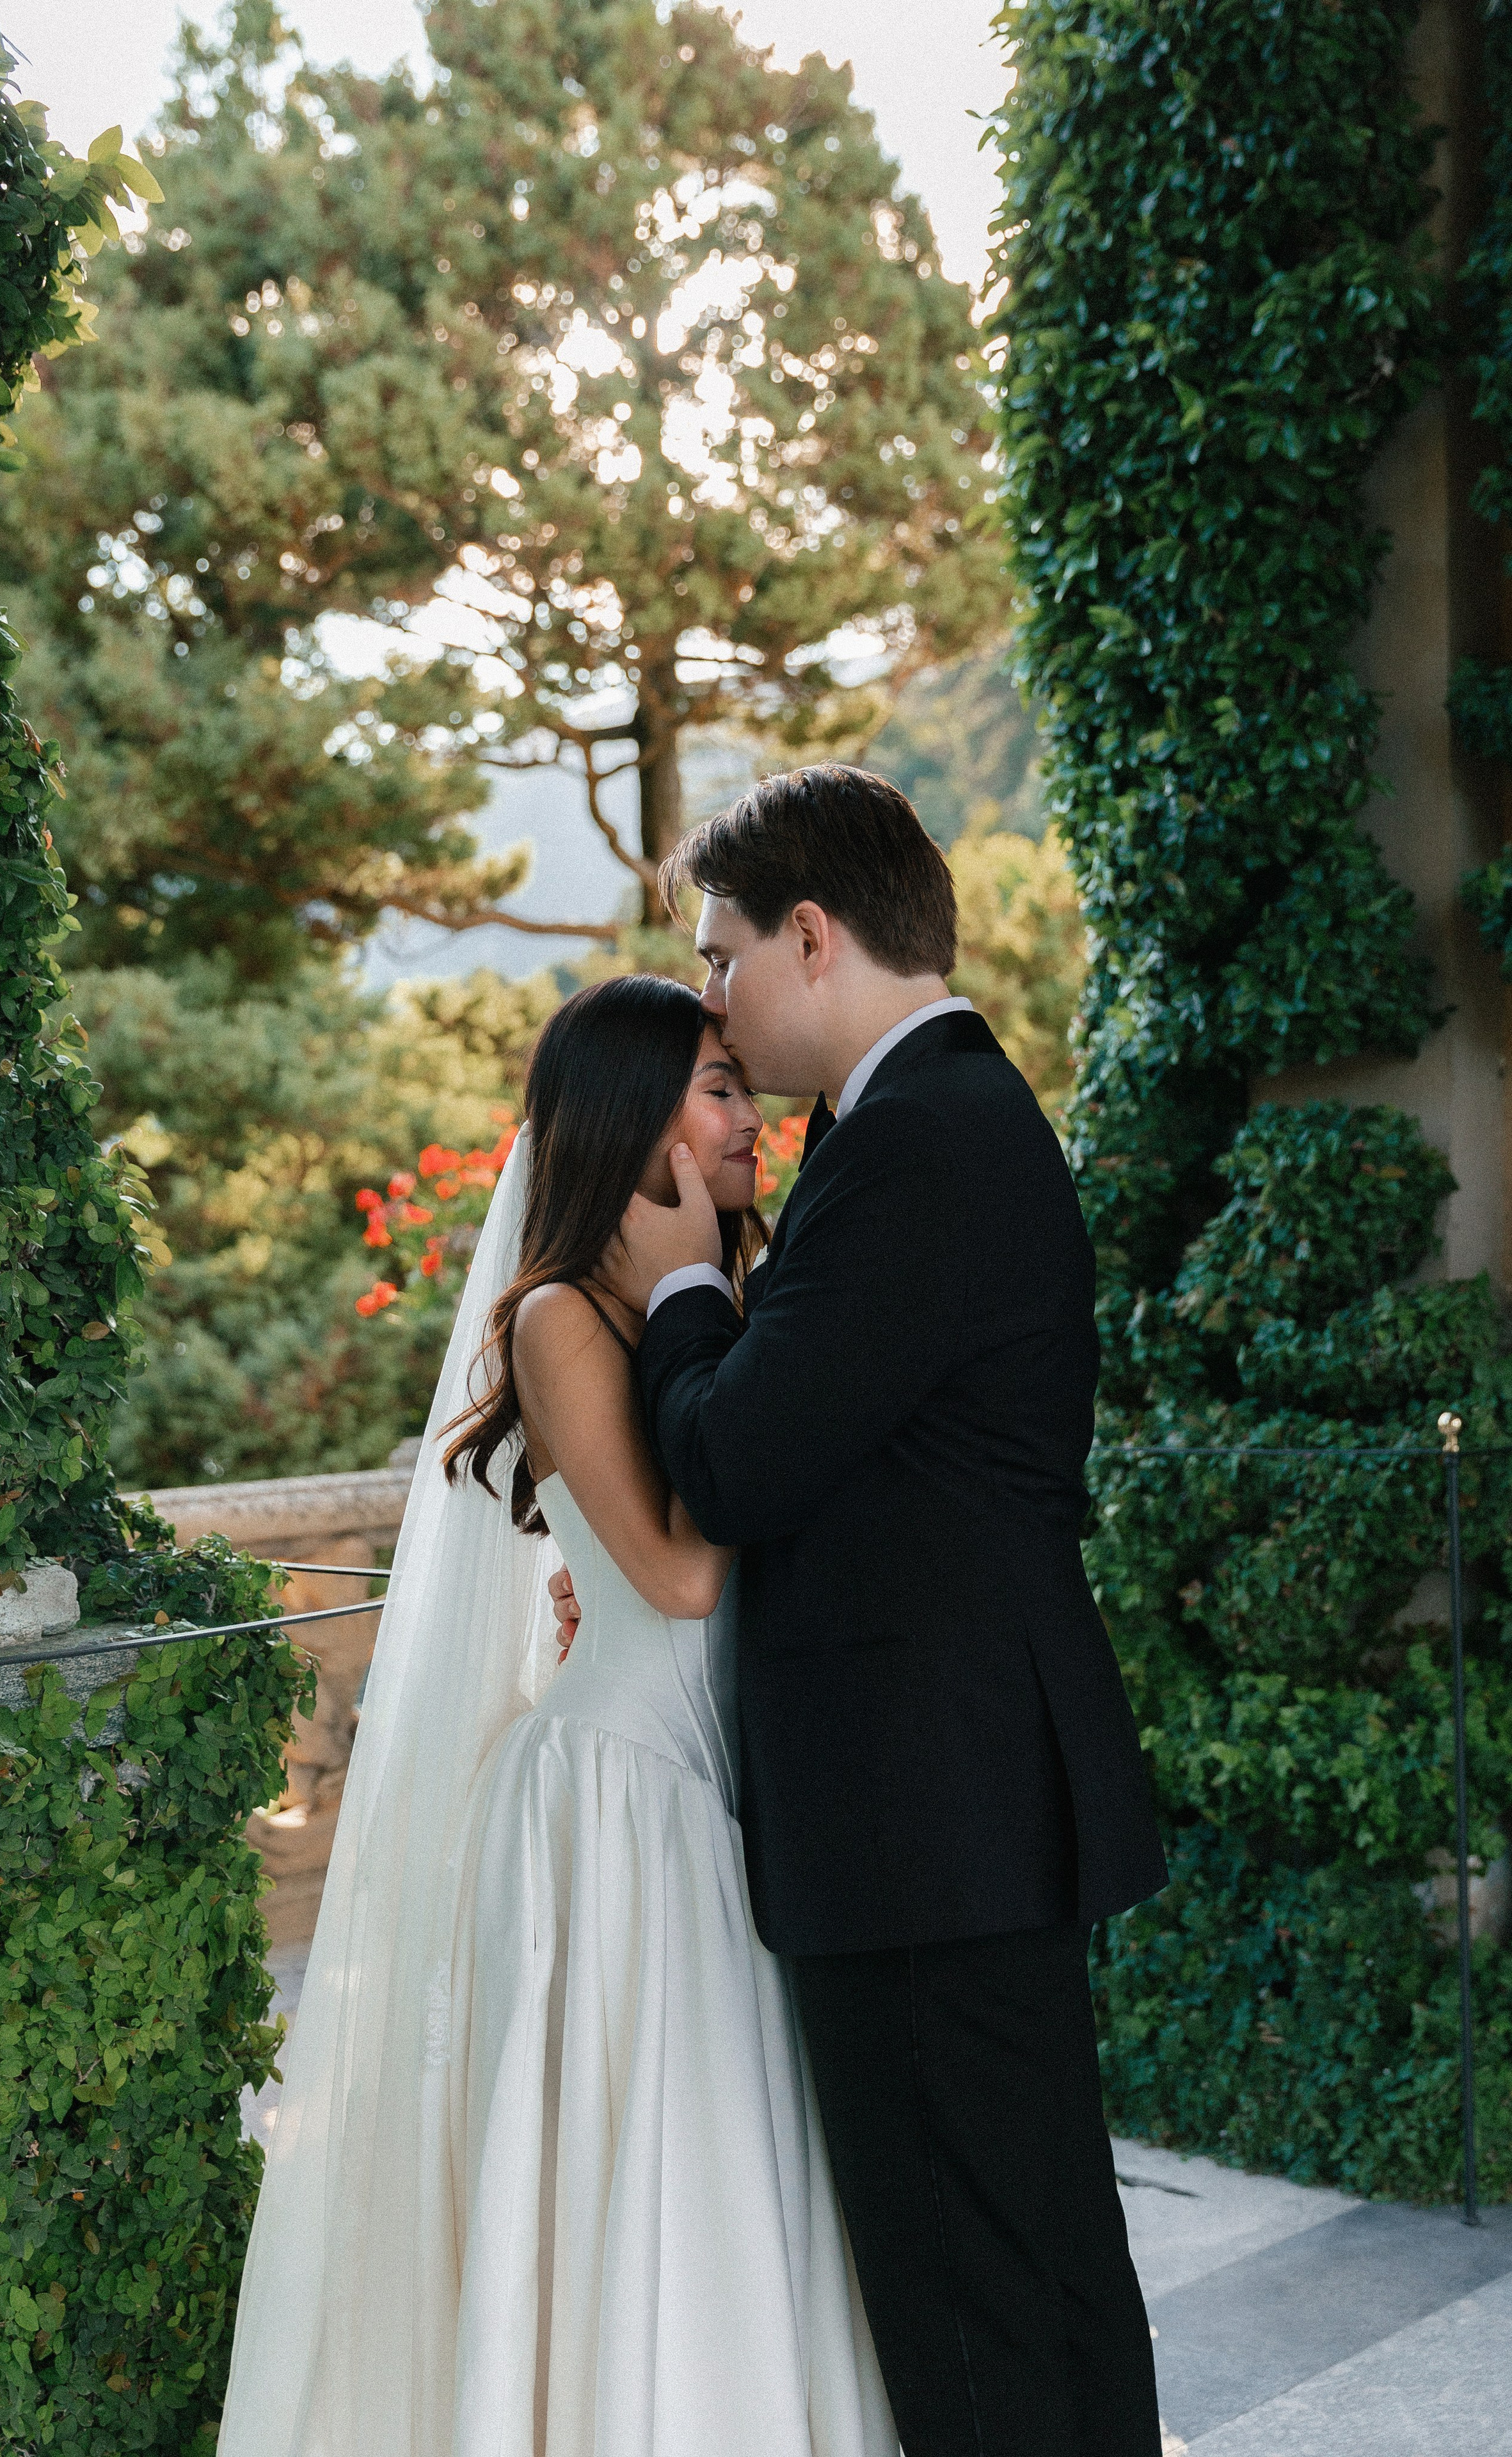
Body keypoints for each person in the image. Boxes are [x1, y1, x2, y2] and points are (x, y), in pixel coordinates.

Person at [216, 975, 898, 2457]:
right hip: (617, 1804)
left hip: (717, 1792)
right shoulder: (563, 1322)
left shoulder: (733, 1298)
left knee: (735, 2172)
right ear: (631, 1118)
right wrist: (701, 1313)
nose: (747, 1120)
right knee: (640, 2166)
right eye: (716, 1089)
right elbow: (677, 1569)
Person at [578, 765, 1169, 2457]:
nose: (711, 997)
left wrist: (681, 1283)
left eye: (722, 955)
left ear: (814, 937)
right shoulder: (921, 1125)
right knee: (1039, 2267)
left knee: (972, 2303)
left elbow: (742, 1470)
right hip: (959, 1798)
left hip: (923, 1816)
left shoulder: (917, 1140)